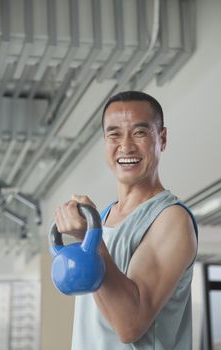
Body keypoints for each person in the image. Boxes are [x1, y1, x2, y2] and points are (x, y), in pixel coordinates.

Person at [54, 91, 198, 350]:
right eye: (114, 134)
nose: (126, 145)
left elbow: (129, 325)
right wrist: (89, 234)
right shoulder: (105, 215)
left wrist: (90, 236)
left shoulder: (171, 219)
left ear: (162, 139)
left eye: (140, 132)